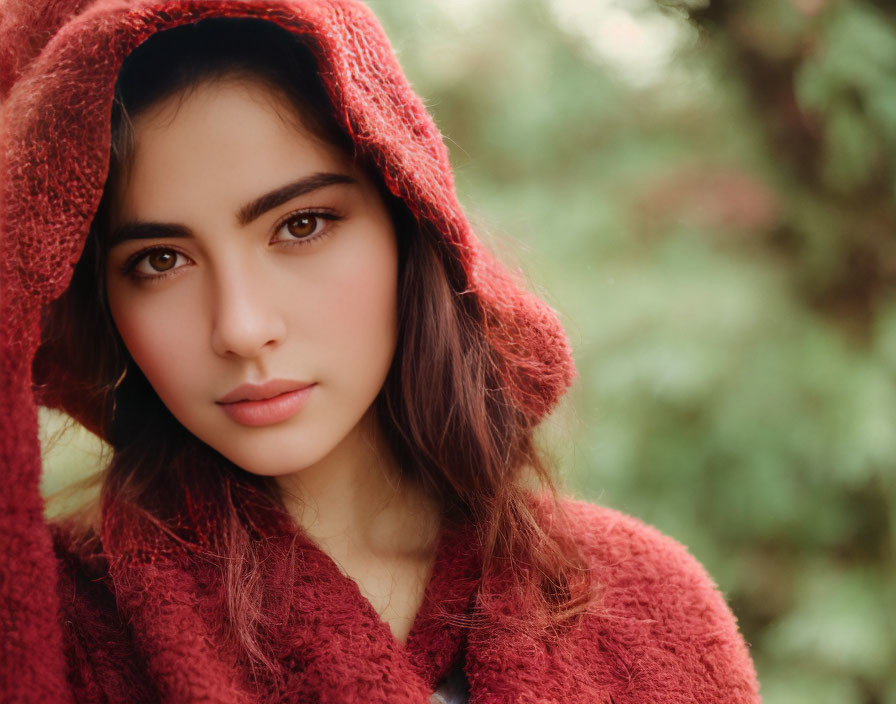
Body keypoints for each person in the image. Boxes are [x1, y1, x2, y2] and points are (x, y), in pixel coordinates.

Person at [0, 1, 762, 702]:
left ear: (409, 218)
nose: (239, 326)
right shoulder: (62, 628)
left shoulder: (644, 606)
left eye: (300, 225)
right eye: (159, 260)